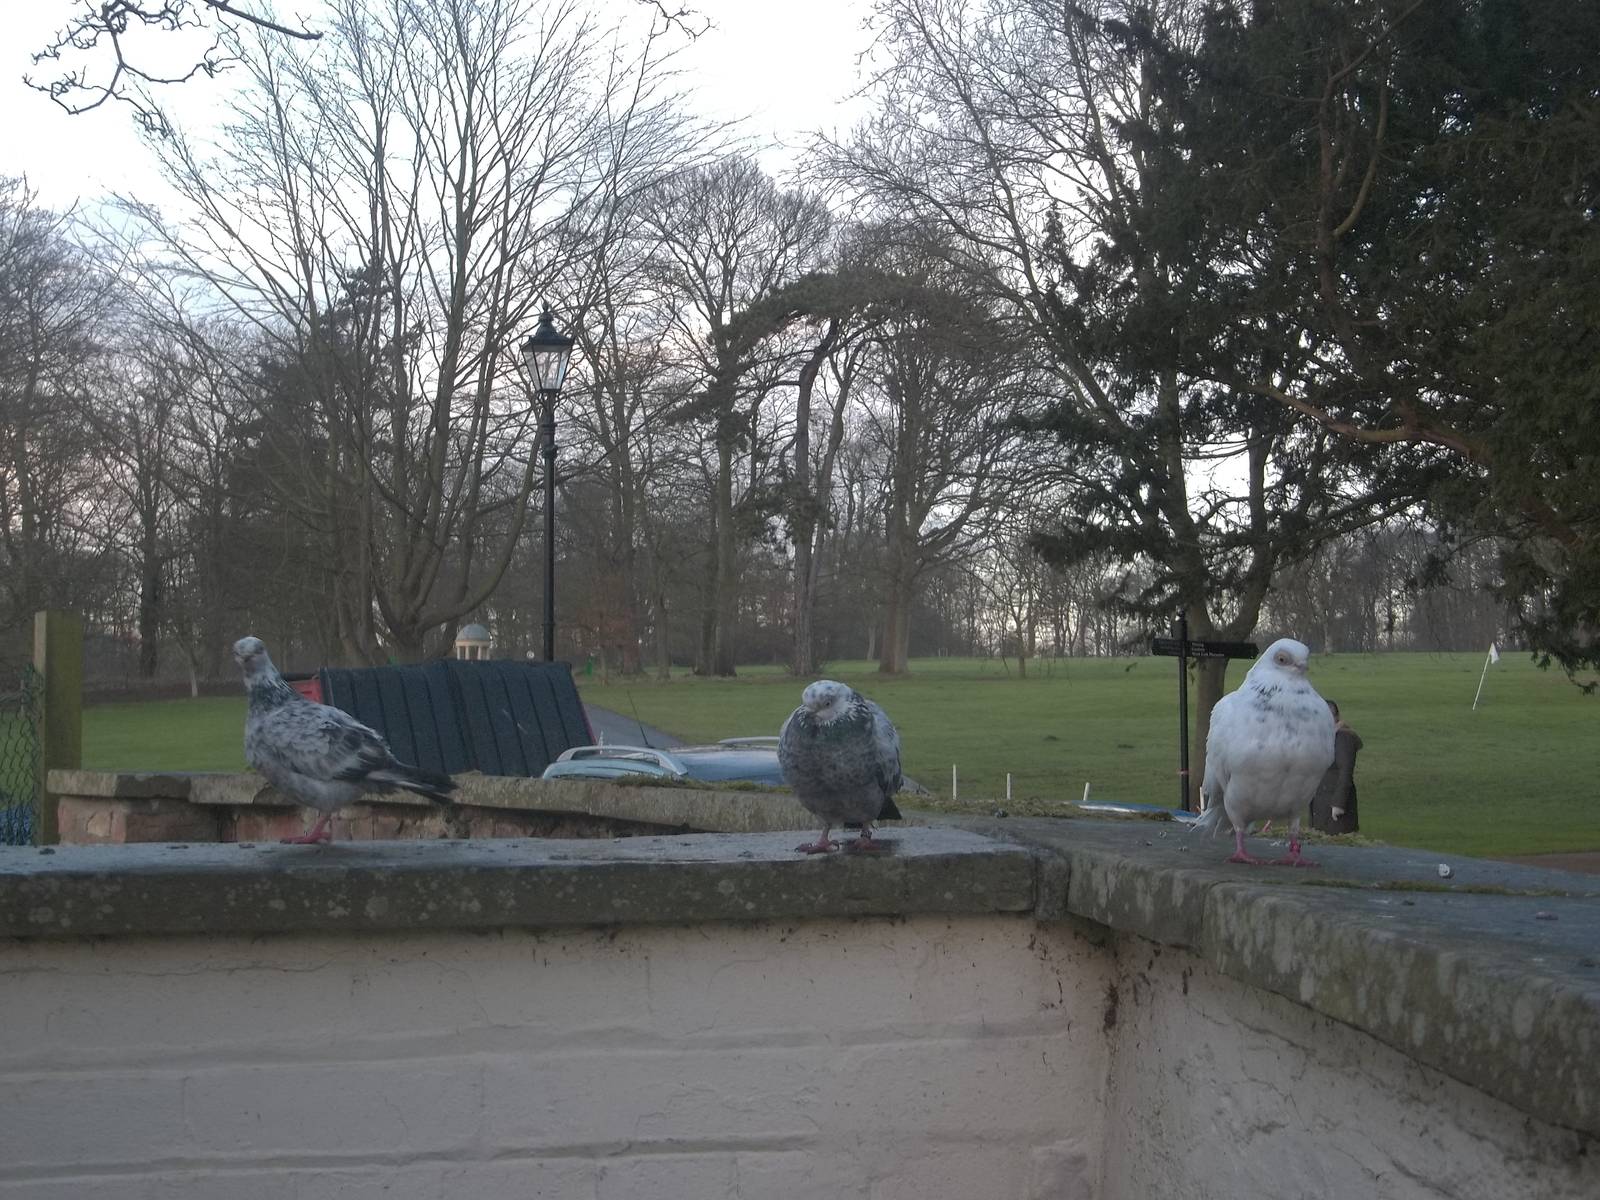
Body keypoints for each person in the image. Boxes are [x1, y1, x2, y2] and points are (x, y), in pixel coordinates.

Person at [1309, 699, 1361, 834]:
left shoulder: (1343, 738)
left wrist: (1338, 804)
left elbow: (1346, 772)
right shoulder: (1324, 738)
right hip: (1320, 803)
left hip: (1334, 809)